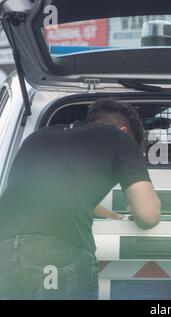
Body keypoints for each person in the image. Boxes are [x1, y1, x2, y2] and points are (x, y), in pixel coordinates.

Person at [0, 98, 161, 300]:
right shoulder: (120, 139)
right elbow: (148, 216)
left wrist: (111, 215)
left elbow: (53, 191)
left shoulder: (37, 137)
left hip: (4, 253)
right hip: (57, 252)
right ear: (124, 130)